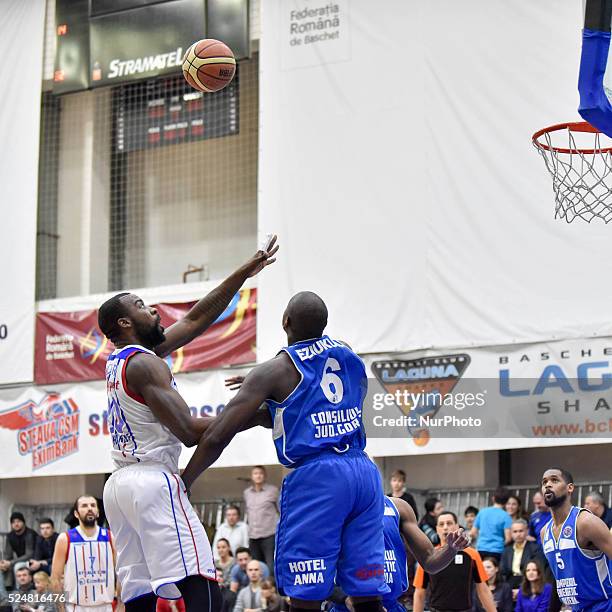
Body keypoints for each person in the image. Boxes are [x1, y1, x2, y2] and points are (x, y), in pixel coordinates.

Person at [180, 291, 391, 612]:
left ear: (285, 322)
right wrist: (269, 401)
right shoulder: (348, 355)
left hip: (320, 477)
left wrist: (186, 479)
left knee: (304, 590)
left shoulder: (273, 372)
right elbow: (304, 410)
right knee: (366, 589)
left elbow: (218, 435)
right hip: (364, 471)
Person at [98, 239, 278, 611]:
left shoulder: (126, 359)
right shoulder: (146, 365)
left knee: (140, 590)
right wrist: (254, 413)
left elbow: (195, 320)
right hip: (152, 480)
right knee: (202, 580)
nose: (154, 310)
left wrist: (244, 273)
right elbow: (190, 433)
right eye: (142, 306)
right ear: (125, 322)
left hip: (118, 486)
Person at [331, 497, 470, 612]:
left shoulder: (398, 507)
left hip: (391, 604)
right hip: (350, 605)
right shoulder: (332, 506)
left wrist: (451, 549)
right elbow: (314, 570)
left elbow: (430, 560)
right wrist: (344, 598)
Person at [540, 467, 612, 610]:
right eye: (544, 482)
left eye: (554, 480)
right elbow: (558, 579)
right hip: (577, 608)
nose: (548, 485)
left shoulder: (585, 522)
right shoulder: (544, 533)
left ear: (570, 488)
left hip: (603, 605)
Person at [413, 511, 496, 612]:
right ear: (437, 529)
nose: (445, 527)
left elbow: (483, 590)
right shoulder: (429, 556)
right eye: (441, 524)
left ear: (457, 527)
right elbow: (419, 593)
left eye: (449, 523)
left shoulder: (472, 555)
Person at [50, 495, 120, 612]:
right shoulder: (65, 539)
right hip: (75, 607)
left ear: (97, 512)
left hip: (106, 606)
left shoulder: (110, 537)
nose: (89, 508)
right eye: (84, 506)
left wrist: (121, 604)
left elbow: (120, 573)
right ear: (76, 514)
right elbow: (55, 578)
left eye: (93, 505)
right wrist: (60, 609)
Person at [243, 466, 279, 573]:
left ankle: (272, 588)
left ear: (265, 476)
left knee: (270, 565)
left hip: (269, 534)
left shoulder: (273, 490)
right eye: (255, 473)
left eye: (260, 473)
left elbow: (280, 510)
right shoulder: (247, 493)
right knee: (256, 565)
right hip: (253, 535)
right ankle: (259, 589)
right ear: (251, 476)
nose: (258, 476)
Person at [471, 489, 512, 562]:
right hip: (497, 551)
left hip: (481, 549)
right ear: (506, 501)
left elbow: (473, 533)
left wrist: (481, 540)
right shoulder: (506, 516)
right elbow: (508, 538)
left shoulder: (482, 512)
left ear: (493, 498)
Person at [500, 519, 542, 591]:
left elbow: (538, 570)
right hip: (510, 583)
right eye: (515, 532)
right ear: (511, 533)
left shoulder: (535, 549)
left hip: (528, 581)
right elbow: (503, 572)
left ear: (527, 531)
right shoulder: (506, 550)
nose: (518, 534)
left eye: (521, 531)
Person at [1, 513, 39, 590]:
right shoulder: (10, 536)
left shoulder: (30, 534)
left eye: (18, 521)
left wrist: (11, 562)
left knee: (17, 566)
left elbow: (29, 554)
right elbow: (8, 555)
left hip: (33, 561)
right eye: (13, 522)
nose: (16, 524)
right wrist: (3, 563)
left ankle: (19, 593)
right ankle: (5, 595)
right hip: (19, 561)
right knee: (2, 568)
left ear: (23, 522)